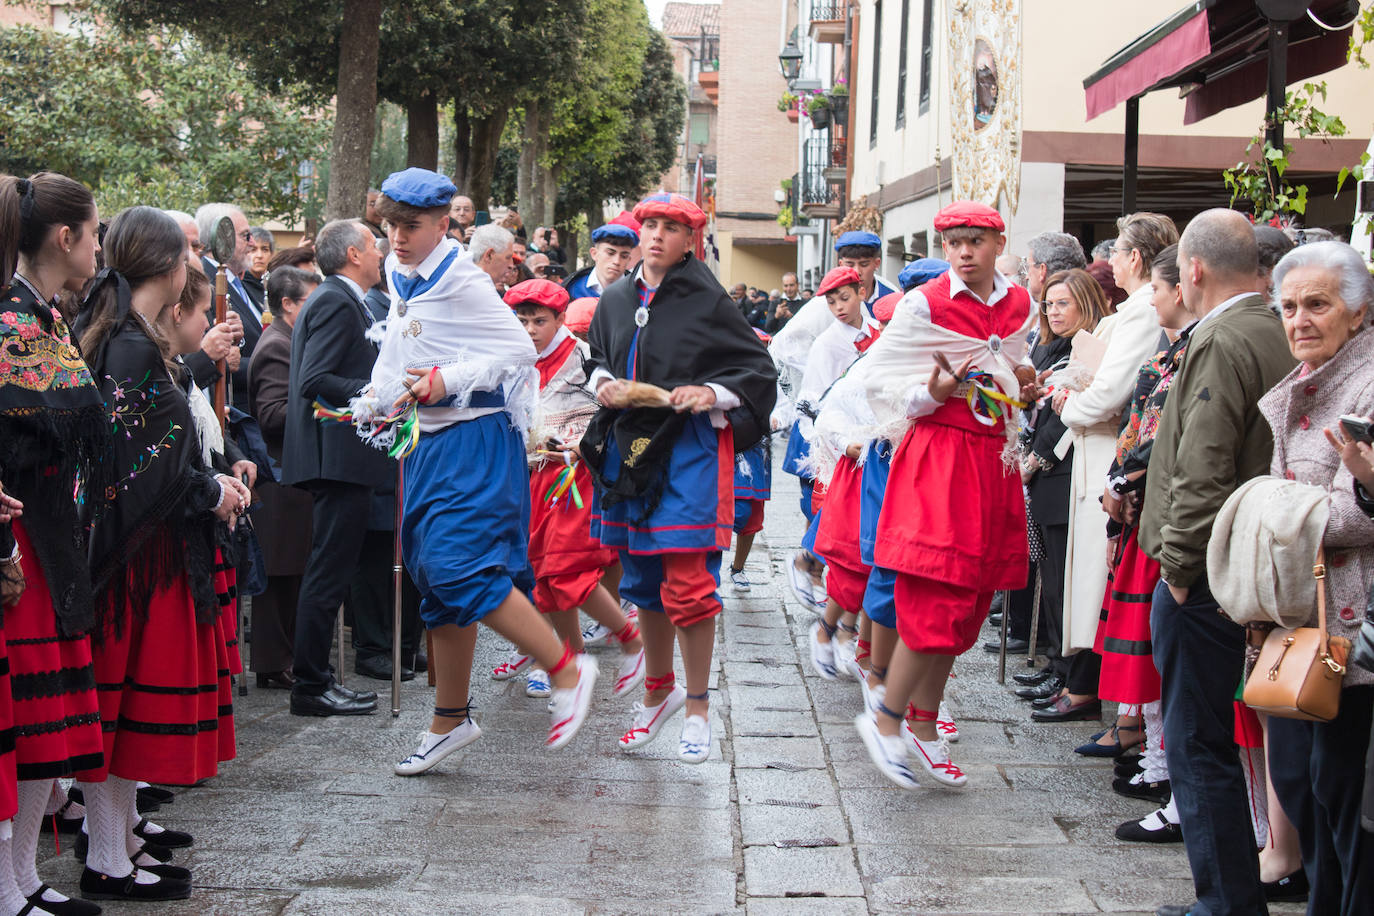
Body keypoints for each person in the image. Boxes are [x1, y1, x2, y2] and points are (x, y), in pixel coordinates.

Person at [360, 169, 598, 774]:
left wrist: (449, 379)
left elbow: (519, 352)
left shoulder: (463, 277)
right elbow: (402, 338)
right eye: (390, 226)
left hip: (477, 440)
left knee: (457, 570)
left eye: (410, 226)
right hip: (429, 446)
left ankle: (566, 666)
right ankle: (449, 719)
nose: (398, 237)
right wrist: (376, 395)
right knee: (433, 584)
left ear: (444, 225)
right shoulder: (400, 270)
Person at [75, 206, 251, 902]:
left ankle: (116, 850)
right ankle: (108, 857)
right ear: (169, 265)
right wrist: (210, 491)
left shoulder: (137, 340)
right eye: (184, 249)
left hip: (152, 555)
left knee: (124, 722)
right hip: (135, 563)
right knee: (118, 716)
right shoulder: (128, 346)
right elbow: (138, 469)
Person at [582, 193, 776, 763]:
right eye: (651, 225)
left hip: (689, 449)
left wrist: (709, 392)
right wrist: (602, 385)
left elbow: (757, 372)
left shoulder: (710, 300)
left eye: (673, 227)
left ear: (691, 238)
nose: (658, 235)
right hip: (627, 450)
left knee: (689, 583)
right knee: (641, 582)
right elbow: (596, 358)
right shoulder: (614, 298)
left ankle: (697, 706)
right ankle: (656, 695)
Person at [1140, 208, 1296, 916]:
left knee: (1197, 741)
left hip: (1208, 570)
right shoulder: (1275, 328)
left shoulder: (1222, 337)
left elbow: (1203, 465)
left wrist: (1176, 569)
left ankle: (1226, 902)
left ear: (1193, 271)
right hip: (1264, 563)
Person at [850, 201, 1036, 790]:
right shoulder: (923, 303)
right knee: (934, 590)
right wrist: (931, 392)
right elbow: (877, 378)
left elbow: (1010, 362)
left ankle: (924, 726)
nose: (963, 250)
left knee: (972, 598)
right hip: (937, 457)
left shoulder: (1020, 304)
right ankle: (885, 717)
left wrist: (1021, 382)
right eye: (954, 240)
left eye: (976, 240)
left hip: (991, 462)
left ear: (997, 243)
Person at [0, 172, 110, 915]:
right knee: (28, 721)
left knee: (48, 722)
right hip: (23, 541)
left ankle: (24, 880)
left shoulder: (39, 314)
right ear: (65, 238)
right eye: (94, 232)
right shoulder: (14, 319)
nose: (100, 245)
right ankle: (8, 887)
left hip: (48, 537)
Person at [1259, 240, 1374, 916]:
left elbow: (1361, 514)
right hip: (1310, 623)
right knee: (1312, 789)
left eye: (1318, 305)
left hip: (1353, 634)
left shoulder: (1365, 383)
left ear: (1357, 314)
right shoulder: (1309, 379)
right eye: (1291, 307)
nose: (1300, 319)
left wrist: (1272, 508)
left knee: (1344, 801)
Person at [1045, 214, 1176, 726]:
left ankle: (1112, 706)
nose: (1111, 260)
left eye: (1117, 251)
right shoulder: (1135, 308)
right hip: (1092, 448)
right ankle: (1091, 687)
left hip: (1104, 449)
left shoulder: (1144, 311)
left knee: (1101, 583)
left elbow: (1111, 392)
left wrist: (1065, 403)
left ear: (1136, 258)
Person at [503, 278, 644, 699]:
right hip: (535, 476)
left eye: (539, 321)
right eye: (522, 319)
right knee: (543, 578)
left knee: (566, 572)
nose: (529, 329)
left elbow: (613, 412)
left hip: (575, 478)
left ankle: (631, 637)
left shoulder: (584, 358)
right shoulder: (515, 358)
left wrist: (579, 444)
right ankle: (571, 658)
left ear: (561, 319)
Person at [1095, 246, 1190, 841]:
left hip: (1163, 514)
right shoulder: (1167, 348)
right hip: (1141, 509)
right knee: (1147, 652)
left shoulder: (1186, 350)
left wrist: (1126, 477)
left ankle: (1165, 771)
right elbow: (1139, 423)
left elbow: (1162, 433)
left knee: (1163, 659)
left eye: (1157, 287)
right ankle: (1157, 763)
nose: (1150, 298)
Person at [281, 219, 389, 717]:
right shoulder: (332, 300)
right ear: (352, 253)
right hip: (336, 458)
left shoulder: (343, 299)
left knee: (332, 571)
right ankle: (310, 684)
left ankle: (317, 679)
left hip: (346, 459)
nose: (380, 253)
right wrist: (379, 394)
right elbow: (314, 379)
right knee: (327, 574)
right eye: (373, 246)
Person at [803, 267, 883, 680]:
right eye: (831, 302)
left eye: (844, 299)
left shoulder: (888, 340)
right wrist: (841, 447)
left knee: (881, 568)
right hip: (852, 462)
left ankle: (858, 642)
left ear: (862, 293)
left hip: (895, 469)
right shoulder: (829, 345)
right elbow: (820, 405)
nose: (838, 308)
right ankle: (830, 626)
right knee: (853, 557)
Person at [247, 266, 319, 689]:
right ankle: (274, 664)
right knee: (278, 576)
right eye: (308, 302)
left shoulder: (293, 341)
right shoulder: (277, 345)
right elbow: (271, 415)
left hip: (292, 473)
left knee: (292, 571)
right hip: (277, 473)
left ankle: (283, 659)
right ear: (288, 304)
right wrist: (320, 400)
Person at [195, 202, 264, 409]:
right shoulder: (206, 282)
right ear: (221, 237)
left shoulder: (241, 283)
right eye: (245, 236)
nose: (252, 243)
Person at [1024, 232, 1087, 302]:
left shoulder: (1054, 311)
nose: (1027, 277)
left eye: (1028, 267)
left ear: (1042, 270)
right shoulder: (1088, 305)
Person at [468, 224, 516, 289]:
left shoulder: (461, 279)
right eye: (508, 258)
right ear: (489, 255)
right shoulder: (480, 290)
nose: (511, 265)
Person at [241, 227, 274, 310]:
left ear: (271, 254)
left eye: (265, 250)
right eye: (253, 250)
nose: (259, 255)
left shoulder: (275, 286)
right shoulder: (240, 286)